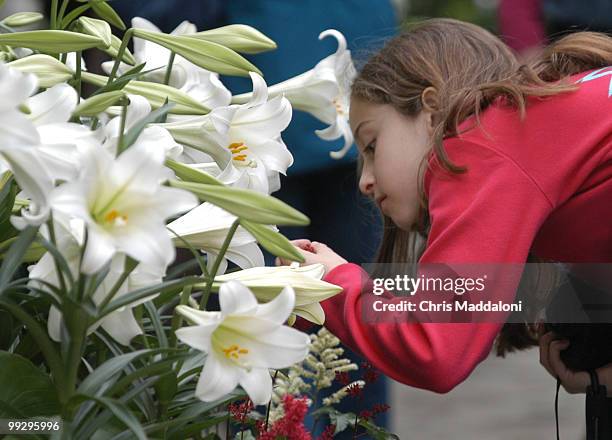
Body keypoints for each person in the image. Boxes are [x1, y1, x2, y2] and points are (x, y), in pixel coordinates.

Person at [276, 18, 612, 397]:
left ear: (433, 113)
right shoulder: (531, 127)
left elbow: (435, 352)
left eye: (371, 145)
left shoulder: (479, 144)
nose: (364, 181)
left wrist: (331, 283)